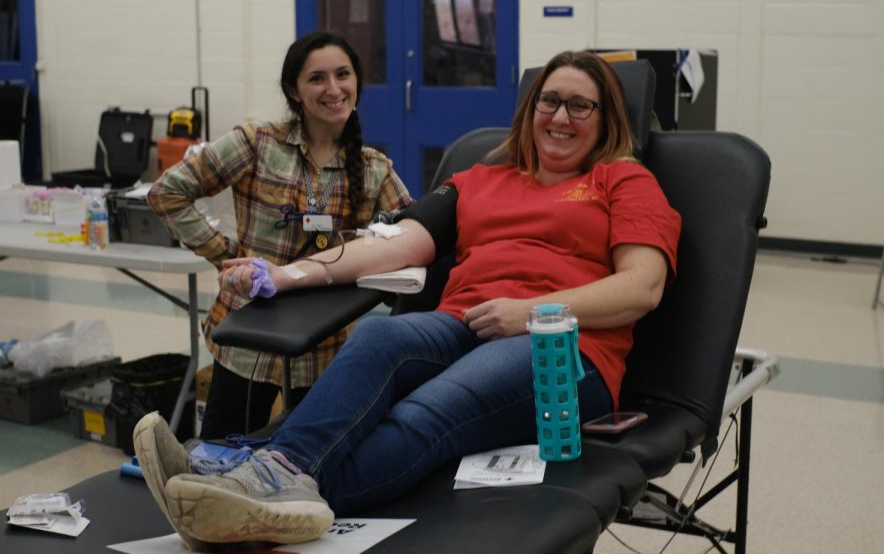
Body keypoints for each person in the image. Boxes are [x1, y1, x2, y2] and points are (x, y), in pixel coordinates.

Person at [134, 49, 682, 548]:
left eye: (580, 106)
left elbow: (642, 286)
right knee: (381, 336)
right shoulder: (482, 177)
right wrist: (284, 276)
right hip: (463, 323)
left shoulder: (624, 181)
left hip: (559, 347)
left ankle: (249, 496)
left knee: (432, 407)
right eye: (550, 101)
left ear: (606, 118)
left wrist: (532, 313)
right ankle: (262, 477)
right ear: (530, 109)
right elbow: (389, 249)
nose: (561, 118)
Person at [147, 31, 412, 439]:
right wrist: (226, 254)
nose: (334, 88)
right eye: (317, 78)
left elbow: (412, 238)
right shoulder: (257, 143)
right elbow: (167, 192)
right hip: (249, 339)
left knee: (304, 467)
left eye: (343, 75)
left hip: (326, 346)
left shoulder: (374, 168)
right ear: (294, 90)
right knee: (224, 457)